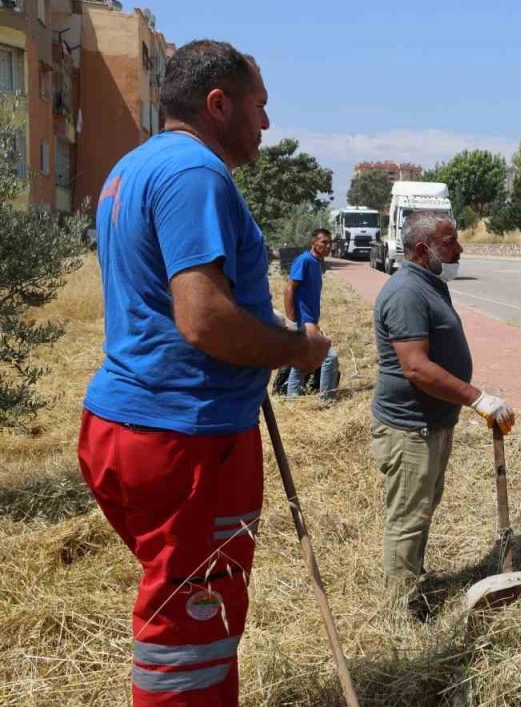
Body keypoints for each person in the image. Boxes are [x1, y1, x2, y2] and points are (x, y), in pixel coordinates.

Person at [78, 40, 330, 706]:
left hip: (126, 425)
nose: (266, 124)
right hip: (186, 441)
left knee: (185, 607)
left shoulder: (133, 168)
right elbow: (206, 321)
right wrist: (297, 349)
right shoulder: (196, 174)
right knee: (190, 628)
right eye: (259, 106)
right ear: (219, 104)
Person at [371, 212, 515, 608]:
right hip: (409, 429)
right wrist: (476, 397)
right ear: (422, 249)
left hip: (431, 424)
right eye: (449, 242)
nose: (459, 249)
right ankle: (400, 607)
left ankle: (411, 580)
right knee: (408, 518)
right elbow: (416, 366)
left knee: (421, 509)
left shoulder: (428, 284)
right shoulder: (406, 292)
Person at [283, 227, 340, 401]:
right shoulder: (304, 261)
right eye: (324, 242)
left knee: (302, 360)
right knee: (329, 356)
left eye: (330, 242)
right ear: (313, 242)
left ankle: (292, 400)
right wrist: (292, 318)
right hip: (304, 322)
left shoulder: (316, 263)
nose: (328, 245)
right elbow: (289, 289)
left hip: (310, 321)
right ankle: (326, 400)